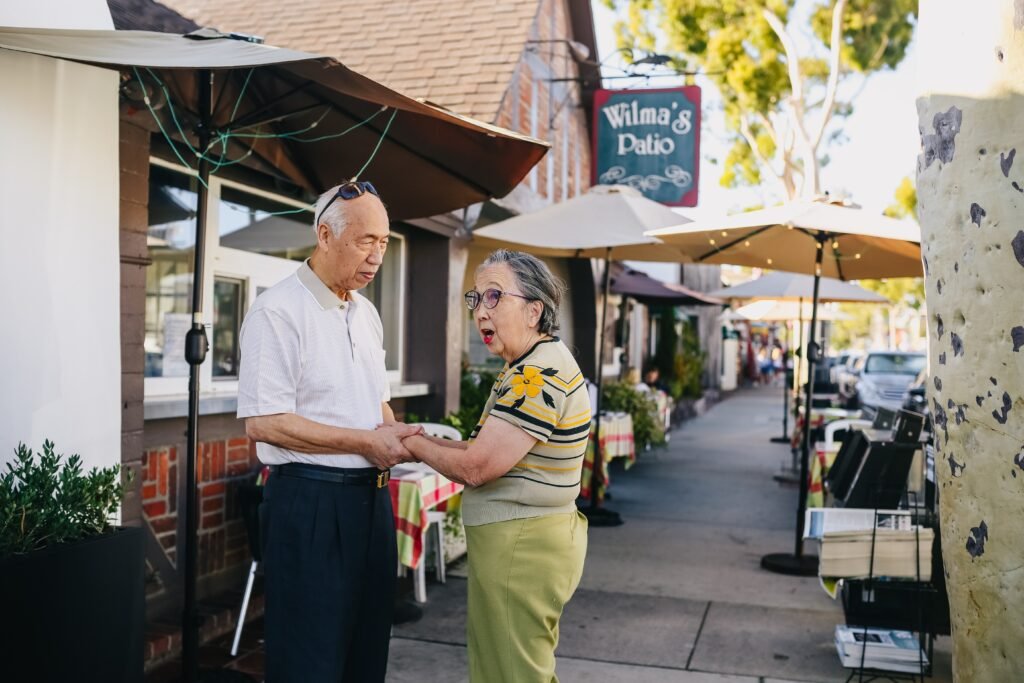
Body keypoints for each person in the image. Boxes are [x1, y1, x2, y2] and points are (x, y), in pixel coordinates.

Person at [237, 180, 421, 682]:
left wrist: (410, 438)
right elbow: (264, 422)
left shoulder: (366, 312)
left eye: (384, 243)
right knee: (309, 661)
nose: (377, 256)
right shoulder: (277, 310)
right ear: (324, 234)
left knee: (366, 656)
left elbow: (372, 402)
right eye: (366, 241)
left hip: (372, 505)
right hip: (310, 504)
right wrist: (367, 442)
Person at [396, 249, 589, 682]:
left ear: (535, 310)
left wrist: (409, 444)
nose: (481, 311)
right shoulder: (529, 365)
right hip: (528, 541)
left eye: (495, 297)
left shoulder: (535, 376)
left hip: (523, 546)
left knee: (510, 675)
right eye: (476, 299)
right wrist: (421, 440)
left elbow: (480, 467)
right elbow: (483, 449)